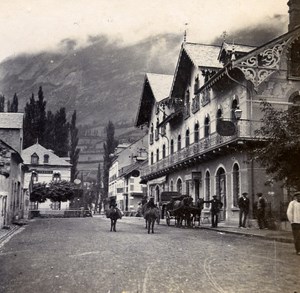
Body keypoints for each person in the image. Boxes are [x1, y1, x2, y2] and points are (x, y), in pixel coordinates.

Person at [286, 191, 300, 255]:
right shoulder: (292, 203)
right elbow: (289, 212)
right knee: (297, 237)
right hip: (295, 223)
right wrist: (291, 221)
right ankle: (298, 250)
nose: (299, 197)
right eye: (298, 196)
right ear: (296, 197)